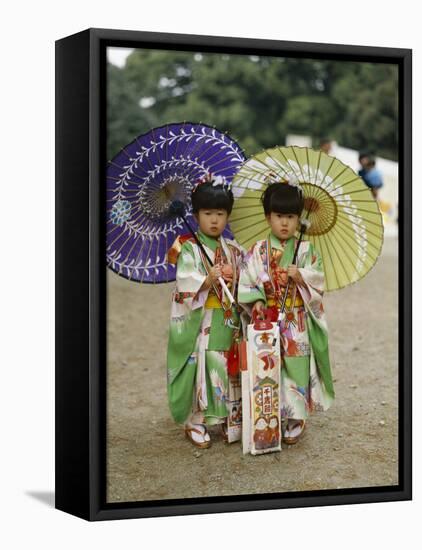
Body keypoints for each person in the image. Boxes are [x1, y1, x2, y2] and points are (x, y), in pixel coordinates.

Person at [238, 181, 335, 445]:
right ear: (268, 216)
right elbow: (247, 280)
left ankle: (296, 416)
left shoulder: (306, 250)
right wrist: (257, 301)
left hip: (296, 319)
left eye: (291, 217)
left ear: (298, 219)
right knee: (271, 367)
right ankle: (272, 415)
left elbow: (319, 281)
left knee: (296, 365)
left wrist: (301, 275)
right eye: (279, 216)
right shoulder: (258, 250)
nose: (285, 223)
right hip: (268, 319)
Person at [166, 175, 244, 449]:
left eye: (220, 214)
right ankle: (196, 420)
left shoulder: (233, 249)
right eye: (208, 213)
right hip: (203, 321)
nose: (214, 220)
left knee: (228, 367)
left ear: (227, 215)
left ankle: (228, 418)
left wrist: (235, 275)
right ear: (196, 214)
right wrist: (206, 280)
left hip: (228, 321)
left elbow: (247, 281)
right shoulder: (188, 248)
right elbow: (184, 284)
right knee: (204, 368)